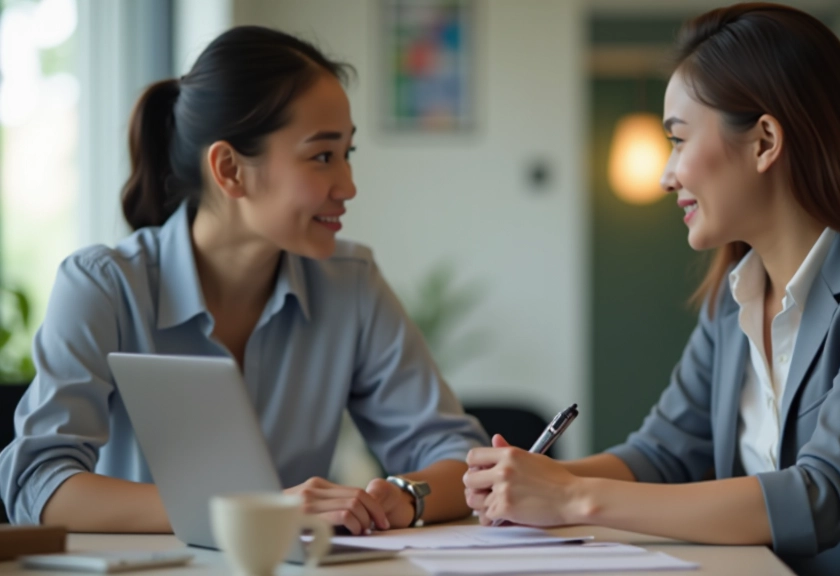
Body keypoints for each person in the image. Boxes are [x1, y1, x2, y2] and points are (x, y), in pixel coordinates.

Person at [463, 4, 840, 575]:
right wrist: (531, 480)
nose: (665, 174)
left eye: (678, 140)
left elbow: (821, 495)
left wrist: (571, 497)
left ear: (764, 141)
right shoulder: (733, 304)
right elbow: (663, 454)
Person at [0, 25, 488, 535]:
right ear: (230, 168)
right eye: (322, 156)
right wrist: (254, 512)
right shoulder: (102, 286)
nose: (348, 185)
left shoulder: (352, 285)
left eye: (348, 154)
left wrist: (406, 497)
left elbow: (457, 457)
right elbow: (41, 484)